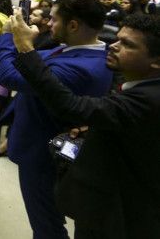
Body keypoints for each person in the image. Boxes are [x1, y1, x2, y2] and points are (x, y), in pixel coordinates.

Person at [10, 12, 160, 239]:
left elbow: (69, 105)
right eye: (117, 39)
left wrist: (25, 49)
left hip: (118, 214)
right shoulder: (137, 85)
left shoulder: (150, 98)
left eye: (127, 44)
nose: (114, 46)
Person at [0, 0, 112, 239]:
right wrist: (25, 44)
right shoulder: (81, 51)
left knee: (46, 224)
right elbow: (35, 63)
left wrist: (6, 39)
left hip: (43, 155)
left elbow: (9, 75)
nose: (48, 24)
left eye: (54, 20)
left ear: (73, 25)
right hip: (42, 147)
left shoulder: (83, 67)